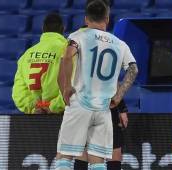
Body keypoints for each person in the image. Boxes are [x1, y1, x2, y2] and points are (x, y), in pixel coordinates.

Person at [55, 0, 138, 169]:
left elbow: (67, 57)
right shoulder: (120, 44)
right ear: (107, 19)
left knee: (65, 155)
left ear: (86, 19)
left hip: (80, 103)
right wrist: (119, 96)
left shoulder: (78, 36)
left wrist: (66, 88)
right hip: (104, 108)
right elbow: (134, 70)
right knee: (98, 160)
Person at [12, 12, 66, 114]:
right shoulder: (68, 51)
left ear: (43, 28)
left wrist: (34, 108)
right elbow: (74, 86)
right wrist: (52, 107)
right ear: (63, 28)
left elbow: (18, 93)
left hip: (36, 119)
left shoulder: (27, 54)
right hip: (62, 117)